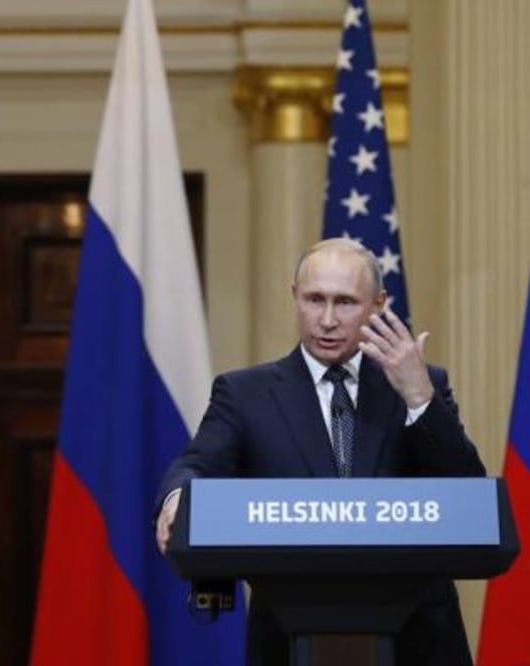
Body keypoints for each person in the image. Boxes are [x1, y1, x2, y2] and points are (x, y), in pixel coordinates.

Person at [154, 238, 484, 665]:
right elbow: (196, 464)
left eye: (345, 302)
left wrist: (419, 398)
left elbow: (468, 495)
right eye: (314, 300)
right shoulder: (245, 394)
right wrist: (179, 496)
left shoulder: (423, 385)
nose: (327, 320)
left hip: (417, 640)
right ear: (295, 295)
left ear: (378, 304)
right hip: (289, 641)